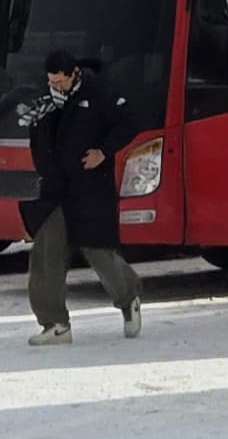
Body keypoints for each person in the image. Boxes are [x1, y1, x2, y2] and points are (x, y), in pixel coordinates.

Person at [17, 51, 142, 347]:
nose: (56, 87)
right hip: (54, 190)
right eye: (51, 82)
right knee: (47, 254)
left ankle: (128, 297)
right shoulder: (44, 103)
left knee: (97, 251)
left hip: (89, 188)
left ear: (74, 74)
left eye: (61, 81)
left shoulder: (99, 94)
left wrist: (103, 152)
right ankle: (55, 324)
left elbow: (129, 122)